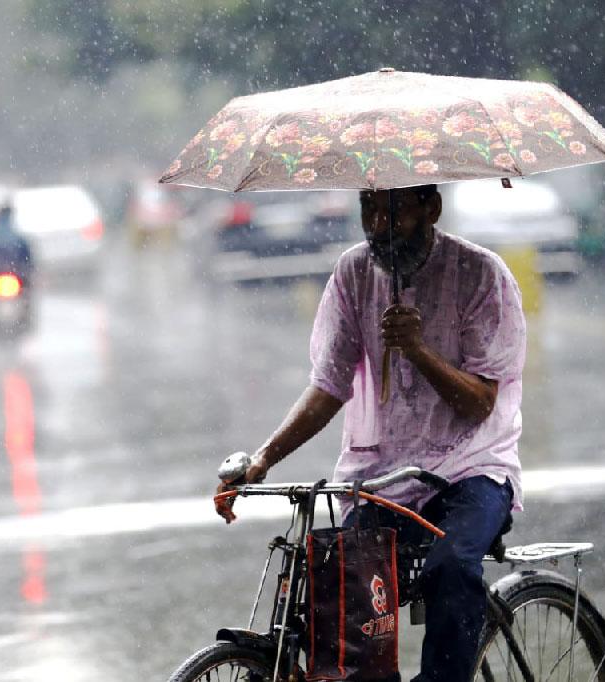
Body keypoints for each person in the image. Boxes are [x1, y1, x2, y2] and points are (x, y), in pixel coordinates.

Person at [216, 184, 526, 682]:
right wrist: (265, 458)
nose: (378, 226)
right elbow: (328, 386)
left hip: (471, 468)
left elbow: (479, 403)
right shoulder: (352, 274)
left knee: (451, 568)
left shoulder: (480, 275)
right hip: (382, 477)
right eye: (368, 210)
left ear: (431, 207)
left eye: (394, 211)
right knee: (338, 584)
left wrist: (418, 350)